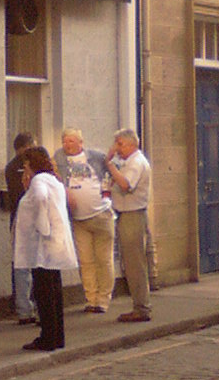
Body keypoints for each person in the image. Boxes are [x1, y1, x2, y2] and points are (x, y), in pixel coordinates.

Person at [12, 145, 78, 352]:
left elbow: (39, 199)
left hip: (43, 245)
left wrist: (42, 225)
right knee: (54, 291)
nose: (25, 170)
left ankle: (47, 337)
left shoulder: (39, 181)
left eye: (26, 165)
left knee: (44, 293)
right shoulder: (54, 180)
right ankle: (57, 336)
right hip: (54, 244)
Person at [53, 127, 116, 314]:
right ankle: (91, 299)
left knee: (104, 260)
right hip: (79, 219)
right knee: (86, 261)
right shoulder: (59, 158)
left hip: (101, 215)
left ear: (81, 143)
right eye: (65, 141)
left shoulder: (95, 156)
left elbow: (113, 169)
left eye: (71, 141)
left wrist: (108, 194)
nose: (67, 145)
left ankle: (104, 300)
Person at [104, 127, 152, 322]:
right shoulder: (127, 161)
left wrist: (110, 165)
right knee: (131, 262)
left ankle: (141, 308)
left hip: (133, 214)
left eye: (120, 144)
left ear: (132, 144)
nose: (117, 148)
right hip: (126, 214)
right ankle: (140, 305)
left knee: (134, 264)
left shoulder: (136, 163)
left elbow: (125, 184)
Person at [3, 131, 37, 324]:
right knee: (36, 263)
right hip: (30, 218)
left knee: (20, 264)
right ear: (27, 146)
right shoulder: (31, 168)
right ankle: (33, 307)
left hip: (16, 218)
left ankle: (23, 309)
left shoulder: (9, 168)